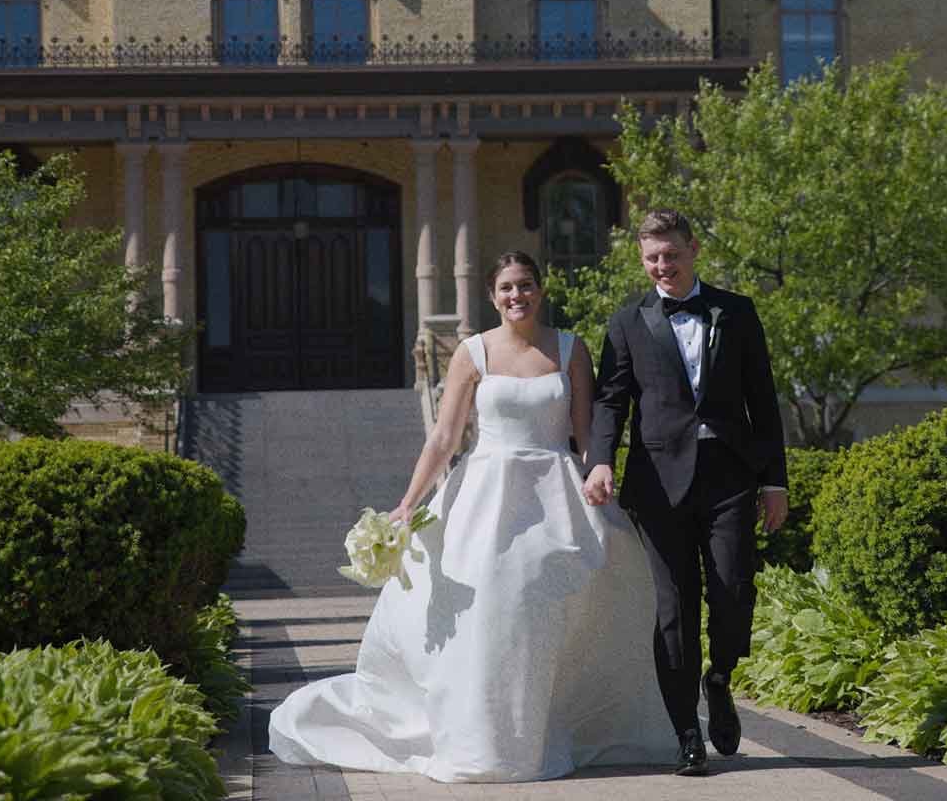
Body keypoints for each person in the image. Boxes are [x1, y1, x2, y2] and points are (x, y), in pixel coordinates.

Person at [268, 252, 676, 782]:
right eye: (506, 288)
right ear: (492, 296)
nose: (516, 296)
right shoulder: (472, 352)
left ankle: (542, 730)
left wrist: (598, 478)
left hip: (556, 493)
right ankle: (487, 738)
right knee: (491, 613)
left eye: (525, 285)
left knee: (544, 609)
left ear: (540, 289)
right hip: (488, 498)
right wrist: (409, 502)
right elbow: (444, 437)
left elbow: (585, 432)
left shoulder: (570, 348)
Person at [586, 209, 789, 776]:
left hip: (729, 475)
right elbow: (610, 400)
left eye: (671, 255)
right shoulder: (627, 321)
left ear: (693, 249)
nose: (662, 266)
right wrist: (600, 460)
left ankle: (719, 677)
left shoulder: (737, 312)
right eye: (652, 258)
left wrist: (774, 481)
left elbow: (763, 400)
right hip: (657, 484)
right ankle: (686, 734)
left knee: (733, 590)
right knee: (674, 609)